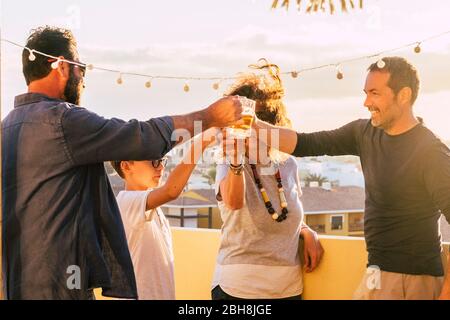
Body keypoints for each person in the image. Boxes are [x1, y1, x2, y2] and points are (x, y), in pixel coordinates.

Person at [1, 26, 242, 300]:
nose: (83, 79)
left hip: (18, 285)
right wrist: (208, 117)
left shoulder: (6, 129)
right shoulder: (62, 120)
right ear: (62, 66)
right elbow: (141, 136)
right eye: (82, 68)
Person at [252, 56, 450, 300]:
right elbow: (305, 143)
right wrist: (250, 125)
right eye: (366, 93)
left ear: (404, 95)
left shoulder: (430, 152)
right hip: (377, 271)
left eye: (375, 93)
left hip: (414, 279)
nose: (366, 102)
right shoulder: (364, 133)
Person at [212, 63, 324, 300]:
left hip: (288, 289)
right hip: (238, 289)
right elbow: (232, 203)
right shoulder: (229, 159)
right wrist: (235, 160)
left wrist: (305, 230)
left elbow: (285, 212)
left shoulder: (287, 163)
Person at [110, 129, 217, 299]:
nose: (160, 167)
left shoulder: (152, 209)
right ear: (126, 165)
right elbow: (171, 191)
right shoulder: (126, 202)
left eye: (161, 161)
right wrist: (200, 144)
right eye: (153, 161)